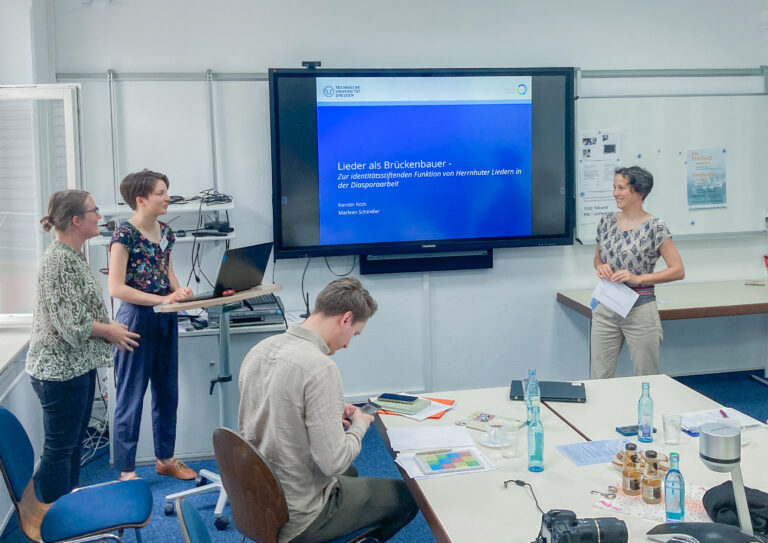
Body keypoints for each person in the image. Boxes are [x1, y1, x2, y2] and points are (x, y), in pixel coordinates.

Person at [239, 277, 418, 543]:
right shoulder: (320, 367)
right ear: (346, 319)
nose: (347, 344)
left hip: (261, 496)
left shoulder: (260, 349)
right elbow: (333, 462)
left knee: (352, 474)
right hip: (298, 513)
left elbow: (279, 414)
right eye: (354, 334)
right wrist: (360, 424)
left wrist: (329, 411)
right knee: (408, 497)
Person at [26, 190, 140, 502]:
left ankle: (71, 512)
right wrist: (110, 332)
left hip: (75, 367)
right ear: (76, 220)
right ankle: (56, 522)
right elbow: (72, 325)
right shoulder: (59, 262)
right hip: (59, 373)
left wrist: (108, 329)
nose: (100, 216)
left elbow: (77, 314)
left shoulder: (72, 256)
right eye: (94, 210)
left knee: (74, 444)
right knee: (60, 450)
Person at [108, 169, 196, 481]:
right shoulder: (123, 236)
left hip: (165, 316)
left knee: (167, 391)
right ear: (141, 200)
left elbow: (168, 275)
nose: (167, 197)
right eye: (160, 193)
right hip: (136, 319)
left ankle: (165, 459)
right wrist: (159, 300)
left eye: (166, 191)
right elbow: (116, 288)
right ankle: (126, 470)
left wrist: (180, 291)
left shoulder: (166, 232)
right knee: (131, 395)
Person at [591, 166, 685, 379]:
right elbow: (597, 258)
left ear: (640, 193)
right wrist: (601, 266)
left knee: (646, 375)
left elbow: (678, 270)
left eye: (622, 188)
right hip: (606, 306)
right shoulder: (606, 222)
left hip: (640, 309)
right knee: (599, 376)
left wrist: (637, 278)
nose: (615, 193)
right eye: (614, 187)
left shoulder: (656, 227)